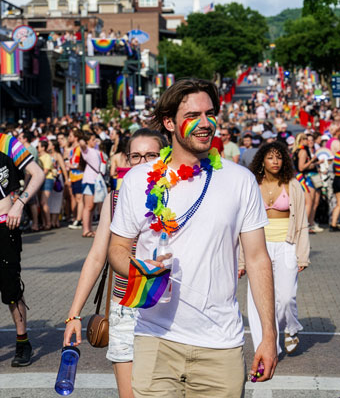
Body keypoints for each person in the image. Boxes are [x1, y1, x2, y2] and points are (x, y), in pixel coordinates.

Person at [108, 78, 277, 397]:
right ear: (170, 122)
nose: (205, 123)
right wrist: (137, 266)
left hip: (220, 347)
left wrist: (268, 335)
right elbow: (116, 248)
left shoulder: (239, 180)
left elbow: (257, 259)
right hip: (155, 341)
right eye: (192, 116)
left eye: (210, 113)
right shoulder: (137, 180)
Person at [63, 129, 167, 398]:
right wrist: (74, 315)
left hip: (167, 308)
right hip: (125, 307)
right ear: (126, 160)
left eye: (152, 155)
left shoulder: (179, 195)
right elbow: (97, 257)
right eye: (136, 156)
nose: (143, 162)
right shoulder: (116, 198)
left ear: (166, 157)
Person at [241, 141, 310, 355]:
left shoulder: (292, 185)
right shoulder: (252, 183)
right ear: (262, 159)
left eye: (279, 157)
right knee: (255, 298)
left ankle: (290, 328)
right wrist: (242, 260)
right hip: (258, 246)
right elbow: (242, 223)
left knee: (286, 296)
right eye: (270, 157)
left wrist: (303, 256)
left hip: (287, 245)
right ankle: (266, 344)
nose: (275, 162)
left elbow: (301, 222)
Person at [0, 132, 44, 366]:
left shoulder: (5, 142)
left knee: (10, 288)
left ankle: (22, 341)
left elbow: (37, 173)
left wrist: (19, 204)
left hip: (4, 224)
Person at [78, 131, 103, 238]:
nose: (94, 141)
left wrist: (96, 141)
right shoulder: (86, 151)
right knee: (88, 206)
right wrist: (85, 138)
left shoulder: (96, 150)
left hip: (96, 180)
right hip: (89, 180)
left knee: (92, 207)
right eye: (92, 140)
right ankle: (86, 229)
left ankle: (89, 229)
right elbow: (82, 144)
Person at [48, 140, 69, 228]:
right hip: (50, 177)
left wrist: (66, 179)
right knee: (50, 200)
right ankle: (54, 221)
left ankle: (55, 221)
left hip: (57, 179)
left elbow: (63, 168)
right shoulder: (47, 155)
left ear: (53, 146)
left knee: (57, 200)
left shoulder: (58, 155)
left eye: (49, 144)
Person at [37, 140, 56, 230]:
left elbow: (46, 170)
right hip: (41, 180)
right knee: (41, 203)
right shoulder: (38, 157)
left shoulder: (47, 157)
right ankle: (44, 223)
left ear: (43, 147)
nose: (38, 148)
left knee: (44, 202)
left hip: (48, 179)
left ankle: (48, 223)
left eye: (39, 146)